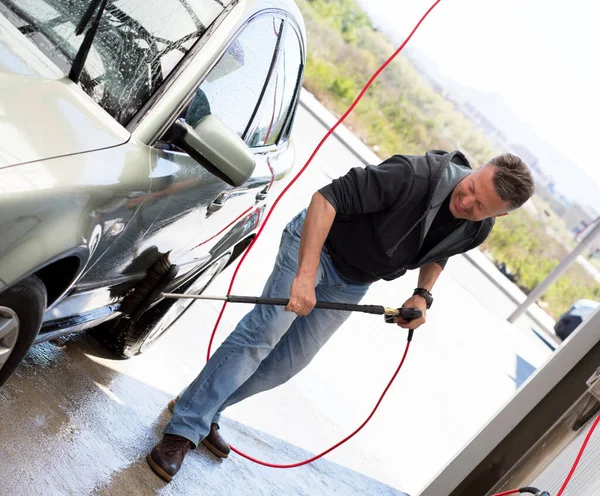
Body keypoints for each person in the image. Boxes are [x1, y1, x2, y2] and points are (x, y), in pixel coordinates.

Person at [145, 150, 535, 482]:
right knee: (260, 339)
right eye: (469, 189)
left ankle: (202, 406)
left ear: (498, 216)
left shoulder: (476, 229)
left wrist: (422, 294)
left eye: (481, 207)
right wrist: (304, 275)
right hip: (314, 246)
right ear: (477, 170)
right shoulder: (413, 175)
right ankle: (185, 428)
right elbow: (326, 199)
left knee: (288, 363)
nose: (467, 203)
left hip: (354, 280)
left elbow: (440, 249)